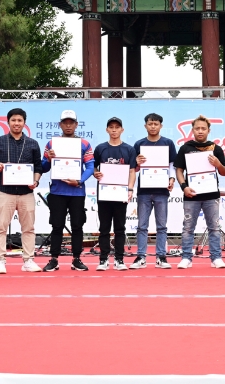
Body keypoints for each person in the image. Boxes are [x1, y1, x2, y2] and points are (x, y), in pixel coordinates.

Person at [0, 107, 44, 274]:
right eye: (13, 120)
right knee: (0, 227)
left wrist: (35, 181)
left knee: (29, 228)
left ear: (24, 123)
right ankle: (0, 260)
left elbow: (38, 167)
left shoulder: (32, 143)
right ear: (8, 122)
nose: (17, 123)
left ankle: (28, 260)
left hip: (26, 193)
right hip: (5, 191)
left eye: (20, 120)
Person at [40, 109, 94, 272]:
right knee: (57, 226)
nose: (68, 125)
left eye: (71, 122)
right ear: (60, 124)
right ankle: (54, 259)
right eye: (65, 122)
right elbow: (43, 167)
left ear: (76, 125)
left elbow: (90, 166)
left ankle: (76, 258)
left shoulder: (84, 144)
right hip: (57, 192)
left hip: (77, 191)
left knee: (77, 226)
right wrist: (49, 158)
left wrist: (79, 180)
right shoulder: (51, 144)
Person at [174, 116, 225, 269]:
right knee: (188, 228)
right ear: (192, 130)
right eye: (197, 128)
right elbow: (179, 170)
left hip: (211, 195)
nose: (200, 131)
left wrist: (218, 164)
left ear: (209, 131)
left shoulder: (215, 148)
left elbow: (224, 172)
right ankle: (186, 257)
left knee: (214, 227)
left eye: (203, 128)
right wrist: (184, 186)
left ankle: (216, 257)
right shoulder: (185, 148)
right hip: (191, 194)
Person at [131, 112, 176, 269]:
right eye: (150, 124)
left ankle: (161, 257)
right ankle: (141, 257)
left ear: (161, 126)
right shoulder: (138, 144)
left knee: (162, 226)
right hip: (144, 190)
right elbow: (134, 169)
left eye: (156, 124)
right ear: (145, 126)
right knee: (142, 225)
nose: (153, 126)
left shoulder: (168, 143)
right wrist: (137, 162)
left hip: (161, 190)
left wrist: (171, 179)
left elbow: (172, 164)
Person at [92, 117, 137, 271]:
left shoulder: (129, 149)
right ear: (106, 130)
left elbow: (132, 171)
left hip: (121, 194)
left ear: (122, 130)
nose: (114, 130)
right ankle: (103, 259)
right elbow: (93, 167)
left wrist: (130, 189)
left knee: (120, 228)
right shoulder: (100, 148)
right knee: (104, 228)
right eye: (111, 127)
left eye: (117, 127)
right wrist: (96, 173)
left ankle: (119, 259)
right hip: (104, 194)